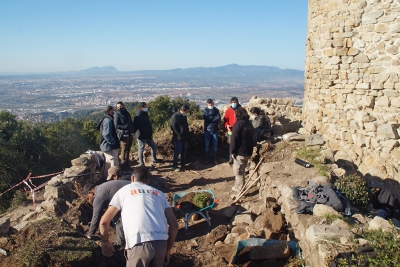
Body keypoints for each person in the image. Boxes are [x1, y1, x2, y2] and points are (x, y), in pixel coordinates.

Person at [99, 166, 179, 267]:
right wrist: (167, 251)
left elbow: (104, 222)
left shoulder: (123, 191)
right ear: (148, 181)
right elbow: (174, 225)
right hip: (161, 242)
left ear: (132, 178)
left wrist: (105, 241)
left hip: (138, 242)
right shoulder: (159, 194)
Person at [83, 180, 130, 246]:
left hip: (131, 196)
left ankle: (119, 244)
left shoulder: (98, 196)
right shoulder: (102, 188)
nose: (89, 201)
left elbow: (96, 218)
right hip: (134, 191)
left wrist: (90, 235)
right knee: (115, 216)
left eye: (88, 198)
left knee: (119, 220)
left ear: (90, 193)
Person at [230, 107, 254, 198]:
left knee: (239, 172)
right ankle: (237, 187)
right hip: (248, 150)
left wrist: (232, 151)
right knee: (241, 170)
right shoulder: (249, 124)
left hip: (240, 152)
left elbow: (234, 139)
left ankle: (240, 191)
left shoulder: (238, 124)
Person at [96, 106, 120, 179]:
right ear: (110, 111)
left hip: (106, 145)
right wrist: (113, 142)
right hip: (108, 146)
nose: (114, 112)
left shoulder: (105, 119)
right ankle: (112, 179)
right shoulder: (108, 120)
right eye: (113, 111)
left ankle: (106, 178)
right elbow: (106, 134)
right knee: (113, 162)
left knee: (107, 163)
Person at [133, 102, 158, 167]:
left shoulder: (144, 114)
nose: (146, 108)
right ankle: (141, 164)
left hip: (148, 135)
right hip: (141, 136)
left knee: (154, 146)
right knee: (141, 150)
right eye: (145, 107)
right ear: (141, 108)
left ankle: (154, 159)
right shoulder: (138, 116)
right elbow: (135, 126)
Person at [114, 102, 134, 171]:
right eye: (118, 107)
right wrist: (125, 127)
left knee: (128, 150)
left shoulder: (127, 113)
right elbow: (116, 125)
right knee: (124, 149)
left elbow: (130, 122)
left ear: (123, 106)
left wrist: (132, 129)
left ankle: (127, 165)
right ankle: (122, 166)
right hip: (123, 134)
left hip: (130, 133)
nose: (120, 108)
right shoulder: (117, 114)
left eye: (121, 106)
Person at [170, 104, 190, 172]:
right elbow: (173, 127)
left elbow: (186, 126)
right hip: (178, 138)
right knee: (177, 152)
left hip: (185, 137)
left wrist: (187, 135)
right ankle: (174, 166)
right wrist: (179, 135)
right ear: (182, 110)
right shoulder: (175, 116)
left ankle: (183, 165)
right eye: (186, 111)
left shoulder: (184, 116)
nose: (187, 113)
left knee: (184, 152)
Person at [202, 99, 221, 164]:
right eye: (209, 104)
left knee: (215, 146)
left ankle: (214, 159)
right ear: (207, 104)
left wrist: (210, 119)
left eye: (211, 104)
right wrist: (213, 118)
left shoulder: (216, 110)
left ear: (213, 103)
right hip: (207, 131)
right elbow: (205, 117)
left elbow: (218, 118)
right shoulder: (205, 110)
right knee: (207, 146)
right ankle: (207, 159)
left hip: (215, 131)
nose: (210, 105)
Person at [224, 97, 241, 164]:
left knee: (239, 144)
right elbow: (226, 119)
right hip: (231, 131)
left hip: (239, 130)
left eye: (235, 102)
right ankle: (231, 157)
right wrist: (227, 125)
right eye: (232, 102)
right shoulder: (229, 110)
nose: (233, 103)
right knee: (231, 144)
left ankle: (238, 157)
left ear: (237, 102)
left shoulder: (241, 110)